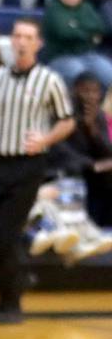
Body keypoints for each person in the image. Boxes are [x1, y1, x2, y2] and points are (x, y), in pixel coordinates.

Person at [0, 18, 75, 324]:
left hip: (28, 166)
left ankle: (9, 303)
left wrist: (45, 139)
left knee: (6, 235)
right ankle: (17, 274)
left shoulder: (49, 80)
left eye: (28, 37)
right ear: (11, 41)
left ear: (38, 43)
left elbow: (67, 121)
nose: (21, 42)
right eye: (17, 36)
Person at [53, 72, 112, 226]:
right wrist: (91, 164)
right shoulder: (65, 113)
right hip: (68, 167)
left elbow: (107, 151)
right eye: (85, 91)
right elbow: (58, 148)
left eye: (95, 91)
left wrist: (93, 131)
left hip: (91, 169)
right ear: (74, 90)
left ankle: (105, 225)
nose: (90, 96)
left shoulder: (98, 114)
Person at [43, 0, 112, 89]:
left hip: (89, 55)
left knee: (108, 74)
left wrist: (75, 27)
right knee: (81, 76)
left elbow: (100, 28)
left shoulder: (87, 7)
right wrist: (88, 33)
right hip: (61, 56)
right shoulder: (53, 9)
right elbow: (64, 33)